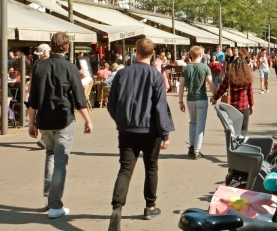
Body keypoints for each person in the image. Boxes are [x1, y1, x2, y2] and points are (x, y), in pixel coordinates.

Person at [107, 38, 174, 230]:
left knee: (125, 169)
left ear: (135, 52)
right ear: (153, 54)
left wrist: (120, 121)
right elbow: (160, 107)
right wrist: (165, 133)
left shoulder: (121, 74)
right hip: (151, 130)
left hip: (127, 129)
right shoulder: (155, 75)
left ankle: (117, 207)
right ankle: (150, 206)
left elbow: (112, 104)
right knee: (151, 167)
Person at [27, 32, 93, 219]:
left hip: (44, 119)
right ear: (66, 47)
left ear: (51, 46)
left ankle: (49, 197)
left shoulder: (39, 67)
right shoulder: (69, 67)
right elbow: (79, 97)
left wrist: (31, 122)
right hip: (63, 118)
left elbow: (32, 99)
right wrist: (87, 120)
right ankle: (56, 205)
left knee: (50, 155)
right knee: (61, 160)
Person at [178, 46, 217, 160]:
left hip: (190, 99)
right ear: (200, 55)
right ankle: (197, 150)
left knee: (192, 122)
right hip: (202, 98)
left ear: (191, 55)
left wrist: (180, 101)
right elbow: (210, 83)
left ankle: (191, 146)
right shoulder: (205, 68)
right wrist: (215, 95)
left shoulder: (185, 69)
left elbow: (181, 86)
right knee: (200, 125)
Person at [211, 59, 254, 136]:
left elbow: (221, 89)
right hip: (243, 107)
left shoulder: (229, 77)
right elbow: (250, 93)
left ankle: (231, 142)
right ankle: (240, 143)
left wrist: (215, 98)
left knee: (231, 127)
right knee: (243, 129)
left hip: (231, 107)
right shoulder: (247, 78)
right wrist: (251, 106)